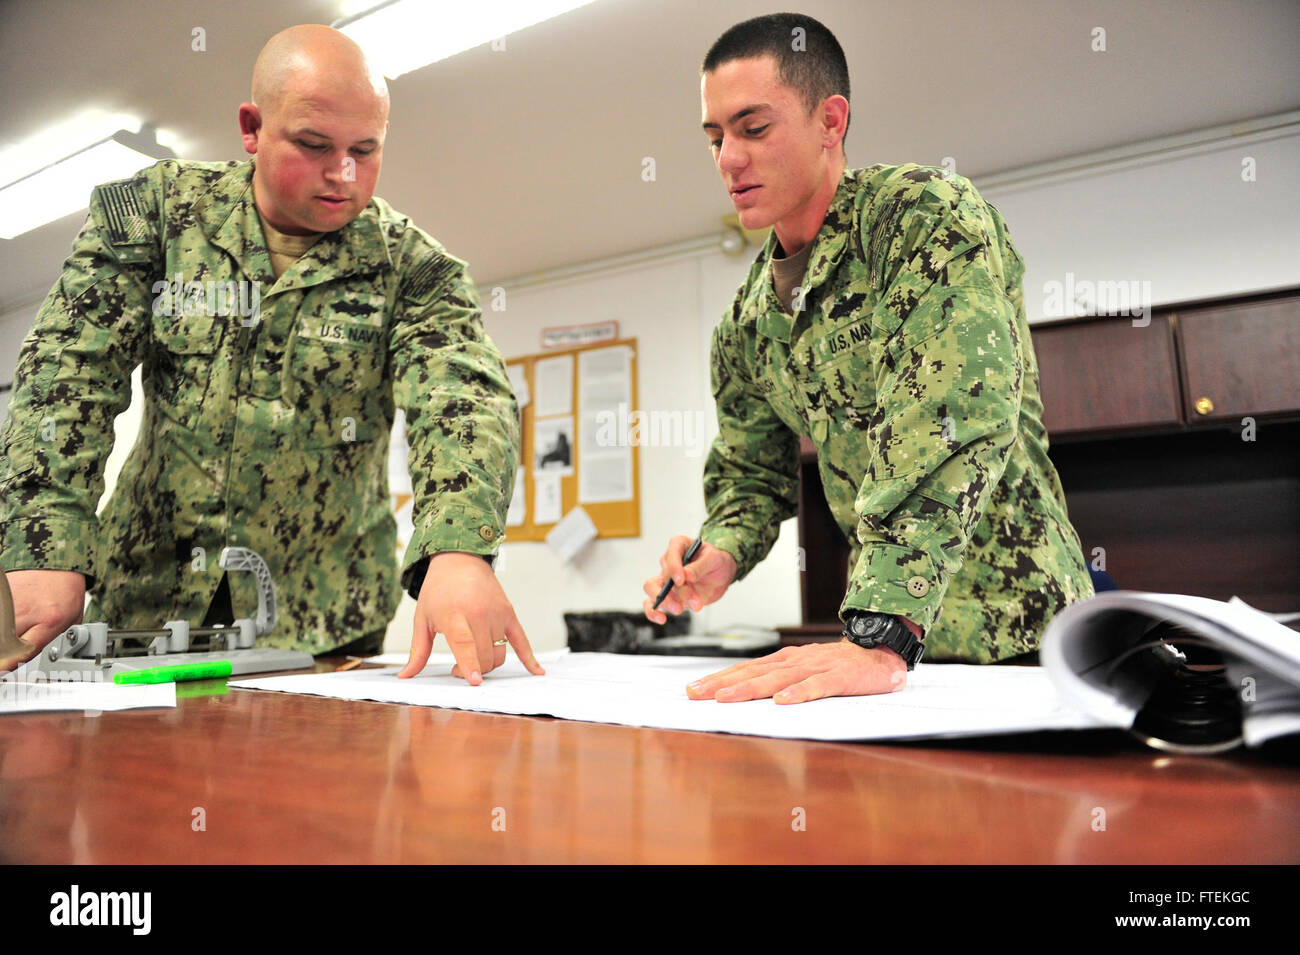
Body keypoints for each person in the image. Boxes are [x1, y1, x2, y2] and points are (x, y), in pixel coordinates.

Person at [0, 25, 543, 685]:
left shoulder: (415, 269)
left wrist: (459, 548)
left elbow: (463, 396)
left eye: (365, 150)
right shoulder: (153, 214)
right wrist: (45, 539)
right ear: (252, 127)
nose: (342, 174)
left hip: (323, 626)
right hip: (147, 601)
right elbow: (69, 368)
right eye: (314, 146)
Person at [643, 13, 1093, 704]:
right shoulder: (745, 326)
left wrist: (885, 627)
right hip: (887, 658)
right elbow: (749, 478)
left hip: (1024, 636)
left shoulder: (920, 218)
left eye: (752, 128)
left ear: (831, 120)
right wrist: (719, 553)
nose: (728, 158)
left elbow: (951, 417)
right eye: (715, 137)